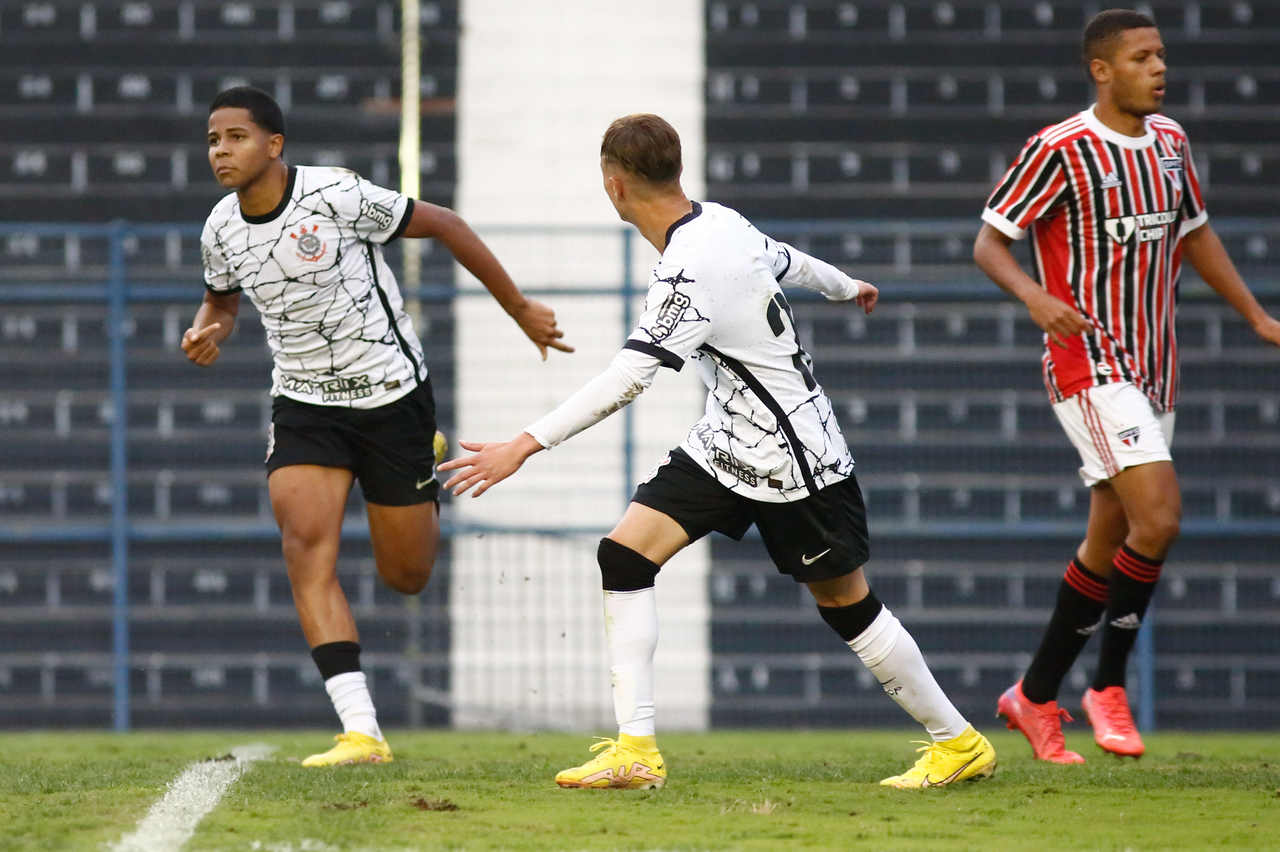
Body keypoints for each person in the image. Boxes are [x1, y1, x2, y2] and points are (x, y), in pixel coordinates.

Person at [440, 113, 997, 790]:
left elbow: (630, 376)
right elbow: (786, 258)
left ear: (614, 186)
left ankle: (958, 741)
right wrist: (848, 286)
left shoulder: (686, 271)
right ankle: (637, 751)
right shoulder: (721, 221)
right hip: (727, 443)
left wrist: (523, 445)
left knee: (845, 603)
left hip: (793, 459)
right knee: (624, 553)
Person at [184, 86, 572, 766]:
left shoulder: (335, 195)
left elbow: (447, 223)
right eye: (213, 140)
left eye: (235, 137)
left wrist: (518, 308)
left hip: (391, 396)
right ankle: (360, 731)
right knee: (305, 547)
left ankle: (423, 464)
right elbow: (222, 302)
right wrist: (206, 330)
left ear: (274, 145)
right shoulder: (219, 227)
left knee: (407, 574)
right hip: (305, 404)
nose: (221, 150)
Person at [974, 10, 1280, 763]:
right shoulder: (1061, 148)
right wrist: (1037, 299)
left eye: (1162, 56)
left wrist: (1257, 317)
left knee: (1111, 536)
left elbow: (1195, 232)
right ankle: (1108, 687)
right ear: (1101, 70)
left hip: (1155, 366)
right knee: (1162, 516)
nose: (1158, 69)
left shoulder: (1171, 143)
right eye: (1141, 58)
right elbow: (990, 242)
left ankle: (1033, 697)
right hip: (1090, 364)